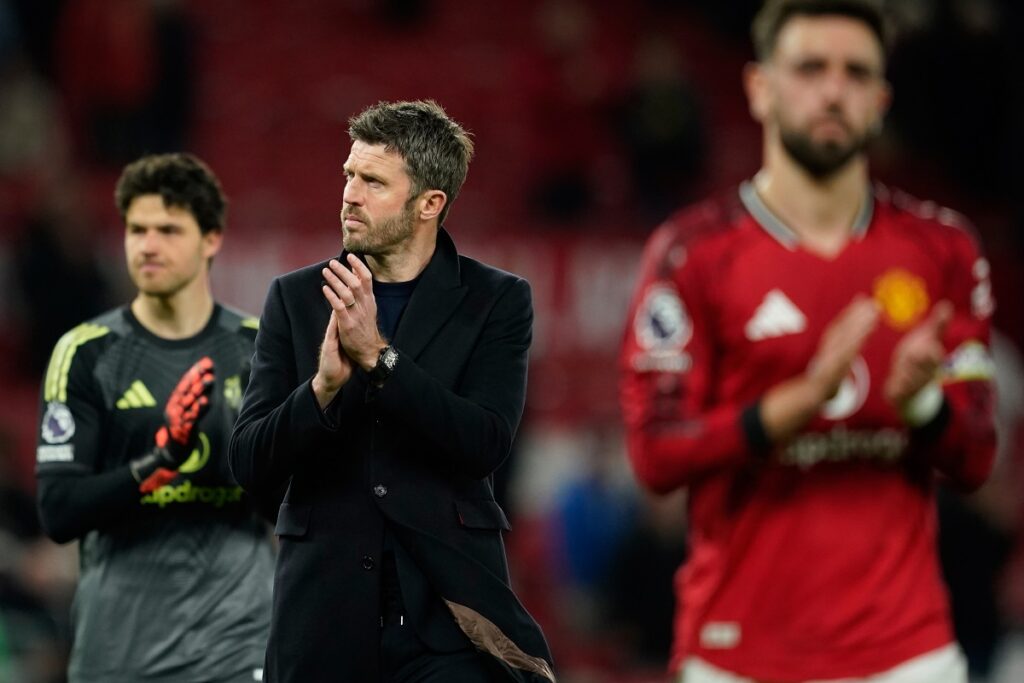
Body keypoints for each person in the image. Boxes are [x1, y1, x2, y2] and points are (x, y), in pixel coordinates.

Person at [619, 1, 997, 682]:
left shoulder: (943, 249)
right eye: (810, 68)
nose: (833, 89)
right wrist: (801, 400)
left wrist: (920, 407)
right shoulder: (692, 254)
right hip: (738, 656)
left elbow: (975, 456)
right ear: (760, 88)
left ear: (881, 100)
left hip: (910, 656)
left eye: (856, 73)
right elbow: (656, 451)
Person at [229, 100, 554, 683]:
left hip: (448, 618)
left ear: (430, 204)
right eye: (349, 175)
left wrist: (380, 359)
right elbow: (249, 462)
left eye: (373, 181)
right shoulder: (296, 298)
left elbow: (484, 441)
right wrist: (323, 388)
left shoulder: (495, 301)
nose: (350, 193)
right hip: (321, 620)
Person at [35, 153, 274, 683]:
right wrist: (160, 462)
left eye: (169, 229)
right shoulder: (86, 353)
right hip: (120, 654)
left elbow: (293, 504)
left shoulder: (260, 350)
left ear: (211, 238)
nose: (147, 245)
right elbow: (58, 511)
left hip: (238, 649)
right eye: (136, 229)